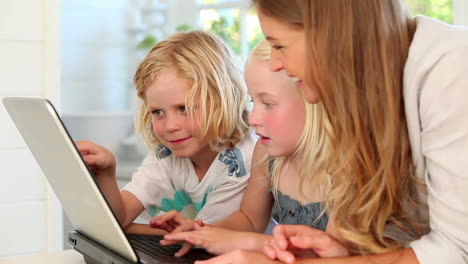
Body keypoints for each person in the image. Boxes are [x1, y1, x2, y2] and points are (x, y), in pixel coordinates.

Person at [199, 0, 468, 263]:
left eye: (279, 46)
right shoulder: (360, 100)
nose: (275, 63)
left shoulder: (452, 68)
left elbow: (456, 250)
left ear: (326, 33)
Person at [150, 39, 336, 258]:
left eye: (267, 103)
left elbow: (337, 257)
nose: (254, 118)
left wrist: (243, 243)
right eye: (252, 101)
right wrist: (202, 231)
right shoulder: (266, 154)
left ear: (312, 101)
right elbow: (249, 219)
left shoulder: (347, 169)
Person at [76, 31, 257, 232]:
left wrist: (128, 229)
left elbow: (199, 238)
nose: (170, 126)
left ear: (222, 100)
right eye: (158, 112)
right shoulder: (167, 156)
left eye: (183, 108)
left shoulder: (242, 161)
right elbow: (120, 217)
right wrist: (107, 174)